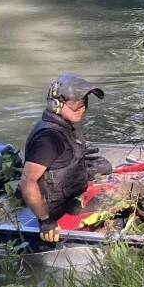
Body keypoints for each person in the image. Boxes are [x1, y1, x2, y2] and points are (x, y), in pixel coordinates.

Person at [20, 74, 105, 243]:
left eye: (84, 102)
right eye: (74, 103)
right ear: (56, 103)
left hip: (69, 200)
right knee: (116, 208)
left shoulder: (62, 128)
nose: (81, 107)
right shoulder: (49, 137)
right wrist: (45, 221)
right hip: (57, 213)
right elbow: (27, 180)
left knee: (108, 174)